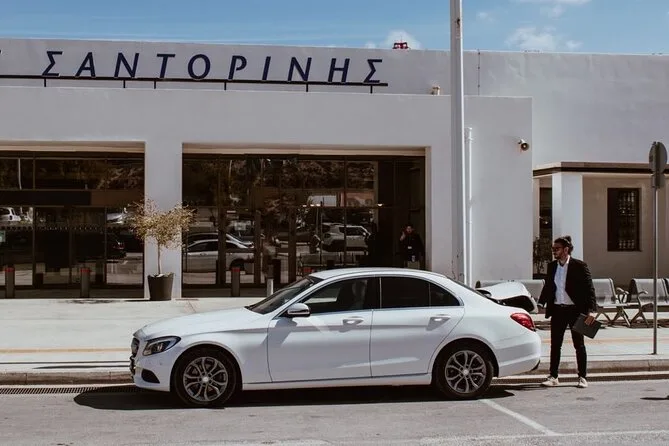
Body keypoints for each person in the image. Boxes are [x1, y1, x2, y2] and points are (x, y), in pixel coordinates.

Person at [538, 235, 597, 389]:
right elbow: (549, 286)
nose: (554, 251)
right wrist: (541, 302)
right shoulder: (552, 266)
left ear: (566, 250)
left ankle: (582, 377)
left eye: (556, 249)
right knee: (555, 345)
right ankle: (553, 376)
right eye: (553, 249)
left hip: (576, 311)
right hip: (558, 310)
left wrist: (591, 310)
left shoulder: (580, 266)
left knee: (579, 345)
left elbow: (589, 288)